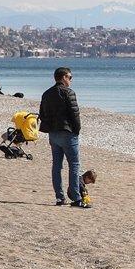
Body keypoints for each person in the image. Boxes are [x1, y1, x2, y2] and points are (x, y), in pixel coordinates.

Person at [37, 67, 88, 208]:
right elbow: (75, 114)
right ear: (64, 77)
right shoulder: (69, 92)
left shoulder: (47, 93)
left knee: (57, 165)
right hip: (68, 132)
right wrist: (76, 130)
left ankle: (60, 198)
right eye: (70, 77)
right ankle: (76, 198)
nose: (71, 80)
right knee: (74, 165)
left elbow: (42, 113)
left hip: (53, 133)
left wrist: (50, 127)